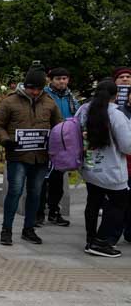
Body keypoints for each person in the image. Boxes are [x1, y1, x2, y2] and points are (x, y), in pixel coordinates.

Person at [0, 67, 62, 246]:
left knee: (36, 193)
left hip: (41, 157)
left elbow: (59, 127)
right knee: (15, 192)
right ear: (25, 85)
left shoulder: (49, 102)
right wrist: (6, 140)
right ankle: (6, 230)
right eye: (32, 88)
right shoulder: (10, 101)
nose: (35, 92)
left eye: (38, 89)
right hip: (18, 155)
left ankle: (29, 229)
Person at [77, 79, 131, 258]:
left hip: (90, 167)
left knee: (93, 202)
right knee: (119, 205)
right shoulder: (116, 115)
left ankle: (90, 239)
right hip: (112, 169)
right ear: (116, 95)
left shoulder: (84, 110)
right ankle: (101, 242)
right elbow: (127, 146)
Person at [36, 67, 79, 227]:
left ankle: (54, 211)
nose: (62, 81)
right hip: (46, 141)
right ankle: (38, 213)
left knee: (57, 180)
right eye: (58, 78)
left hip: (64, 143)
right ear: (50, 79)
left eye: (65, 78)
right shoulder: (44, 95)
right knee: (41, 179)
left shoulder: (71, 97)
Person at [114, 67, 131, 244]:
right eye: (122, 77)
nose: (125, 79)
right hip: (121, 161)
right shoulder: (116, 111)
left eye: (128, 77)